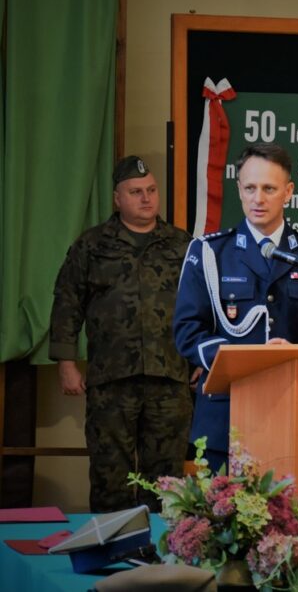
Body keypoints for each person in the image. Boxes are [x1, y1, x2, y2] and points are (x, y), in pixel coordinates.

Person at [173, 142, 298, 471]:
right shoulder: (210, 253)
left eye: (269, 188)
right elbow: (187, 332)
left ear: (288, 192)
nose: (258, 198)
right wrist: (245, 361)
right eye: (250, 188)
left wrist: (296, 356)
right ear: (239, 189)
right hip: (225, 420)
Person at [49, 156, 194, 512]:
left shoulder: (182, 245)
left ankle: (163, 547)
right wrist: (66, 363)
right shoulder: (92, 245)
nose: (146, 198)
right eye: (135, 192)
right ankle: (112, 546)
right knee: (110, 476)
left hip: (169, 377)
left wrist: (202, 358)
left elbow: (202, 305)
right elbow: (67, 302)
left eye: (151, 190)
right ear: (117, 199)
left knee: (166, 482)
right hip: (111, 379)